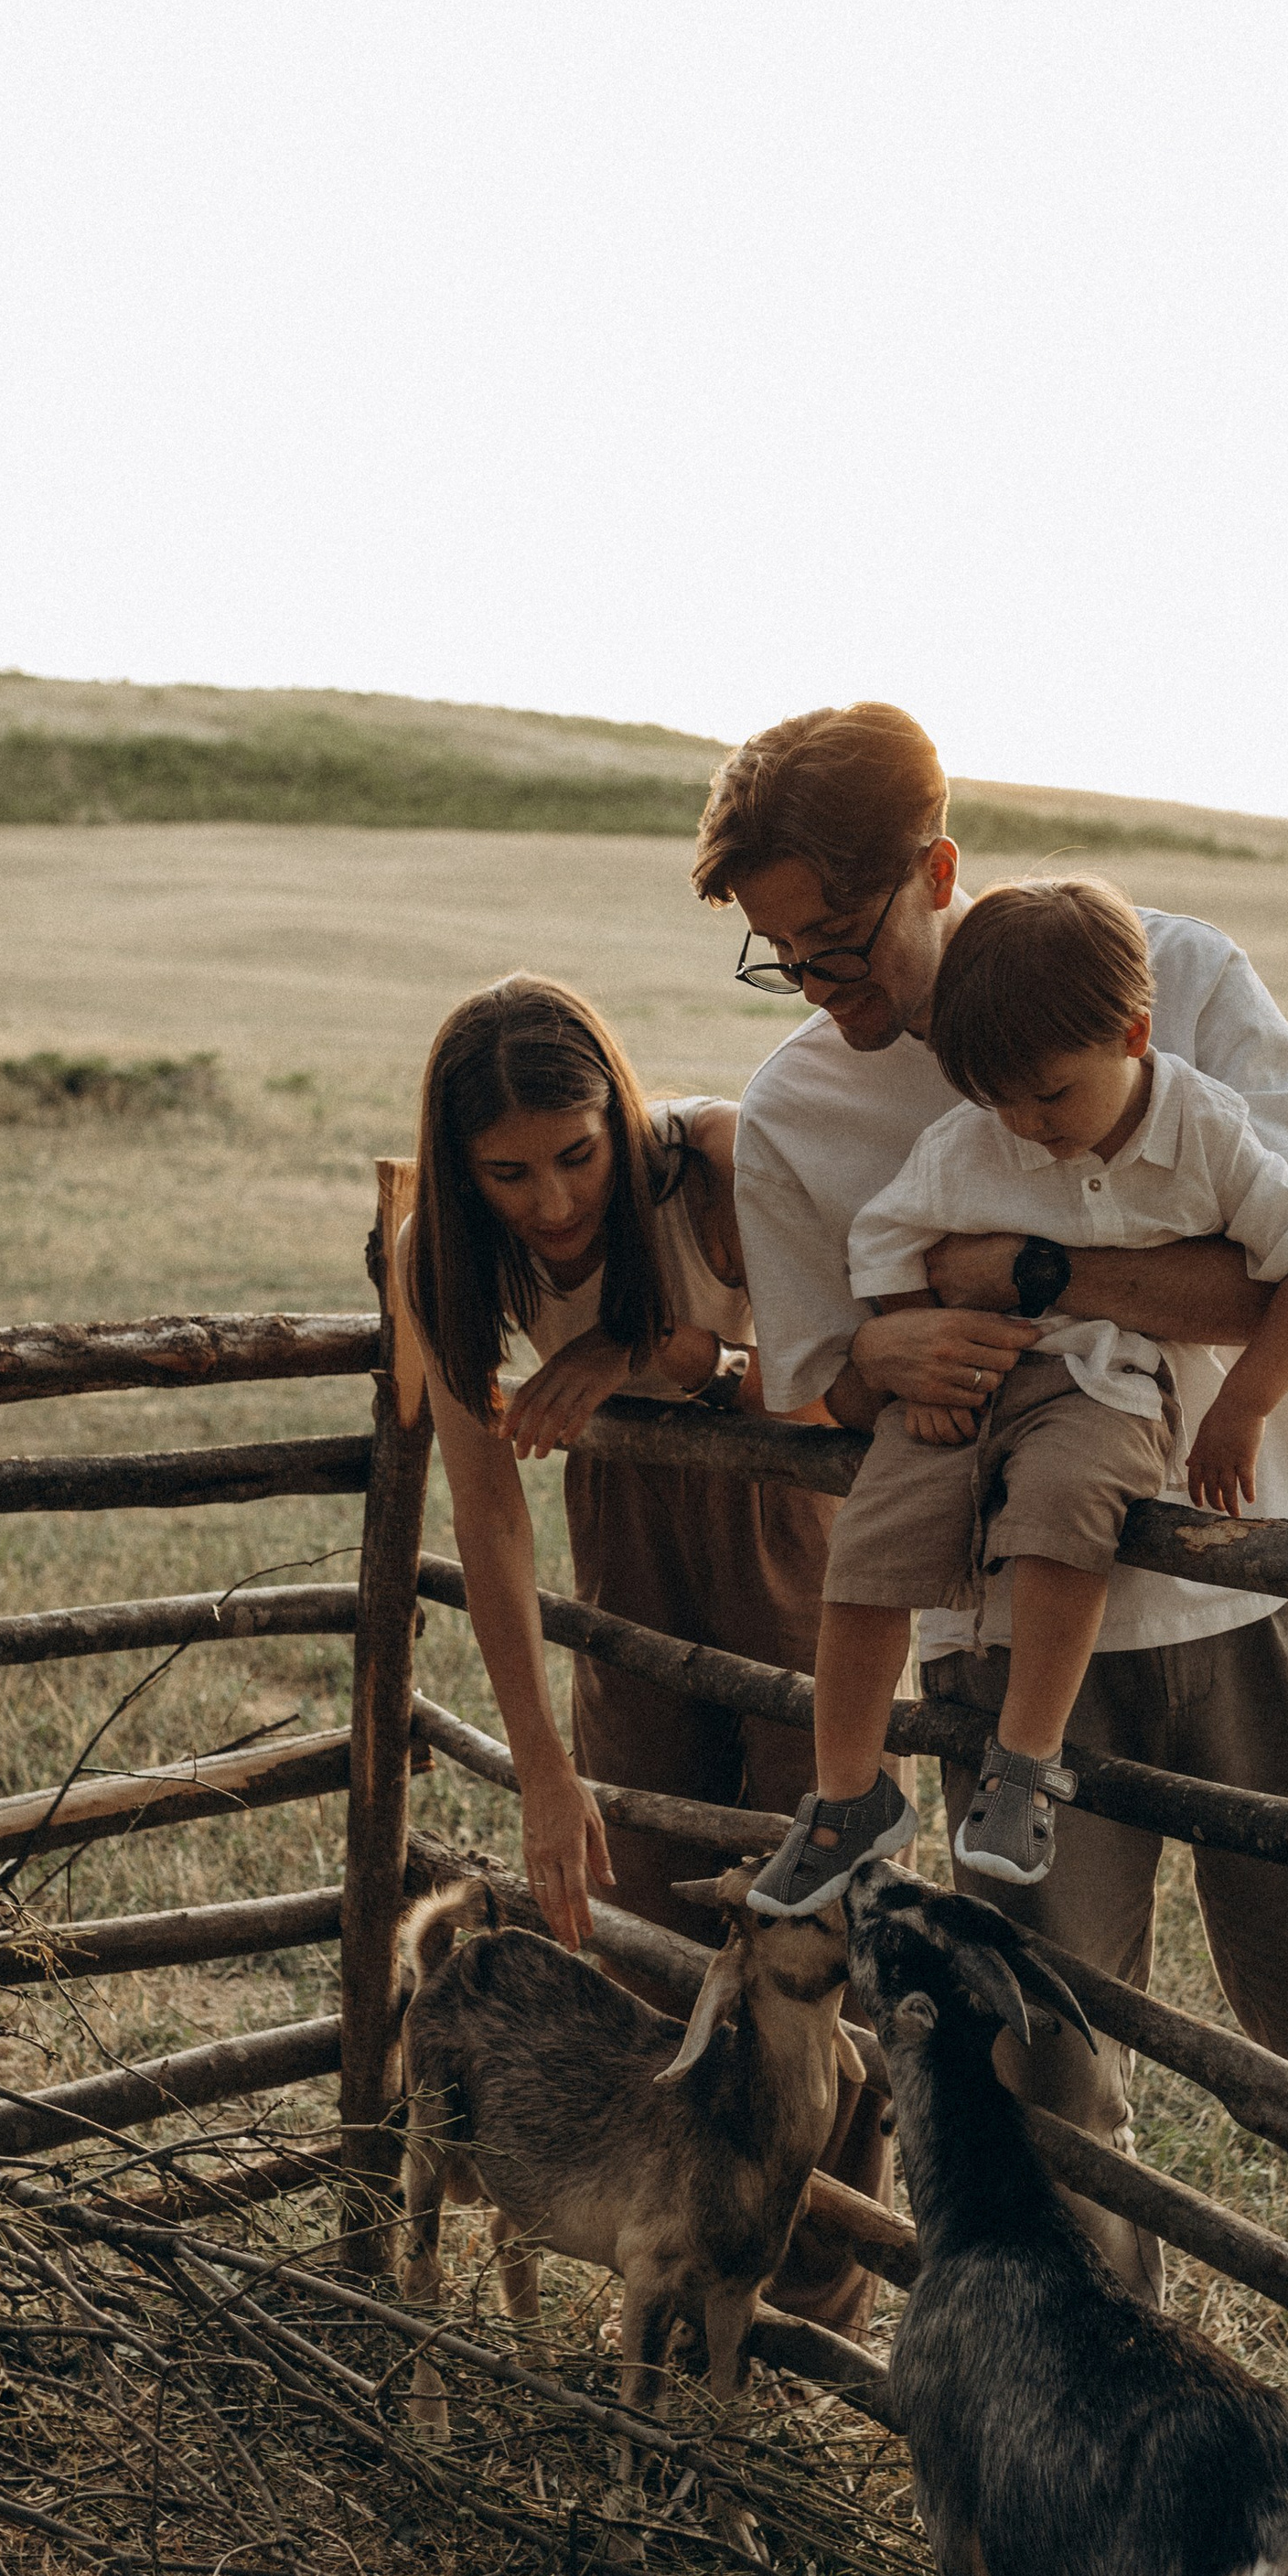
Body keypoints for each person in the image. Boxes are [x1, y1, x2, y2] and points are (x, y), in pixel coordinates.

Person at [693, 703, 1288, 2351]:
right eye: (783, 960)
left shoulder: (1167, 975)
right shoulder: (799, 1109)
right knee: (1042, 2059)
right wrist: (888, 1346)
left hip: (1250, 1587)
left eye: (840, 942)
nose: (824, 988)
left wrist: (1019, 1278)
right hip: (998, 1632)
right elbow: (817, 1379)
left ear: (935, 869)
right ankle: (1102, 2417)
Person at [402, 971, 889, 2328]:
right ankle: (679, 2272)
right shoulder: (439, 1256)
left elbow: (825, 1386)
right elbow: (490, 1518)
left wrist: (650, 1353)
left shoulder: (716, 1167)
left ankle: (815, 2300)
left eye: (576, 1155)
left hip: (790, 1533)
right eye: (506, 1173)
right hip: (623, 1548)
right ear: (458, 1170)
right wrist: (543, 1771)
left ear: (618, 1115)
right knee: (653, 1916)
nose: (551, 1203)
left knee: (808, 1911)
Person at [751, 876, 1288, 1913]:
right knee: (864, 1554)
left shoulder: (1204, 1128)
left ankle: (1025, 1758)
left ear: (1132, 1033)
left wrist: (1241, 1408)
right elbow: (883, 1238)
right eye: (1003, 1102)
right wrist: (908, 1339)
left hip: (1103, 1390)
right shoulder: (974, 1138)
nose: (1030, 1127)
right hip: (974, 1394)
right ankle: (848, 1796)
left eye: (1050, 1095)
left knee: (1058, 1515)